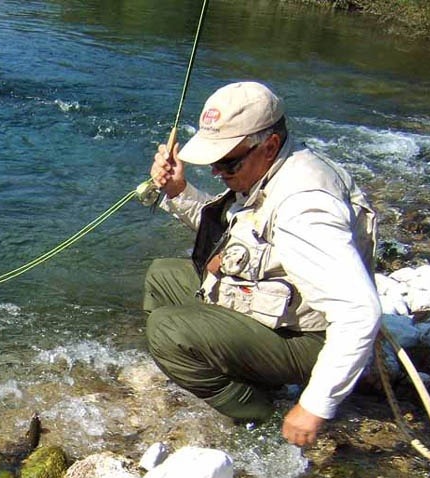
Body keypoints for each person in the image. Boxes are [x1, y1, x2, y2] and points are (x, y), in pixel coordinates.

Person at [144, 81, 382, 447]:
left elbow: (360, 312)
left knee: (167, 330)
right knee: (163, 276)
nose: (217, 172)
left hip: (309, 339)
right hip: (276, 312)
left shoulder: (304, 207)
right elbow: (241, 231)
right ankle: (226, 375)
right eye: (213, 162)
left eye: (227, 162)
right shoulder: (269, 170)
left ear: (269, 145)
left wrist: (314, 406)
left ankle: (264, 418)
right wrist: (178, 192)